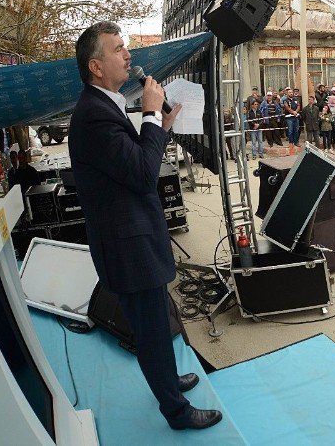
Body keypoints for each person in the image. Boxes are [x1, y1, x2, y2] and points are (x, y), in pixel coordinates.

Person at [68, 22, 221, 430]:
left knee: (156, 321)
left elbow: (133, 157)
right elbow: (140, 172)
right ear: (96, 66)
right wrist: (151, 113)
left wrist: (162, 126)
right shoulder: (93, 115)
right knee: (152, 330)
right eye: (118, 49)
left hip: (134, 238)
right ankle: (175, 411)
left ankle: (169, 381)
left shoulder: (107, 104)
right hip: (127, 245)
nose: (128, 54)